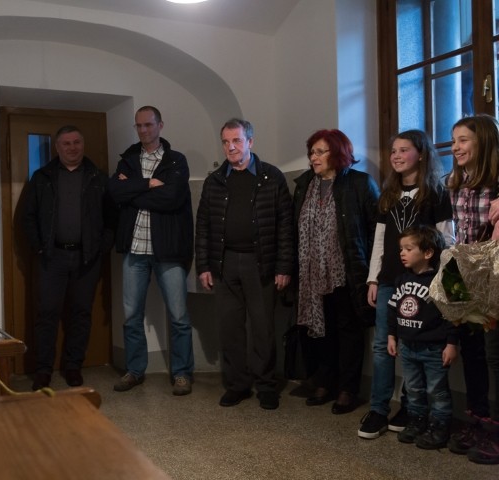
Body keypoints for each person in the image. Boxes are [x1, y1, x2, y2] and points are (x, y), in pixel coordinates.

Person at [358, 130, 455, 439]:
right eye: (393, 151)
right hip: (389, 280)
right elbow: (379, 241)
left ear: (421, 154)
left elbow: (447, 240)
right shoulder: (388, 195)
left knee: (415, 345)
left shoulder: (436, 193)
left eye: (404, 150)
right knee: (382, 345)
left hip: (423, 284)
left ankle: (412, 407)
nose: (396, 156)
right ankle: (378, 408)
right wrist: (373, 278)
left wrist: (443, 282)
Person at [195, 118, 293, 409]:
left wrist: (284, 266)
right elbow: (203, 227)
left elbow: (285, 226)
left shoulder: (271, 177)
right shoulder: (215, 180)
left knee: (262, 328)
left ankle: (266, 386)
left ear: (250, 141)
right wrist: (203, 266)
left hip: (261, 262)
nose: (231, 147)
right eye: (226, 142)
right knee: (230, 328)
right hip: (225, 263)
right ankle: (237, 385)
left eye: (236, 140)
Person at [108, 106, 194, 396]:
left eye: (148, 124)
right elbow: (114, 192)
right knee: (131, 316)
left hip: (168, 250)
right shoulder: (128, 160)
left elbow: (172, 198)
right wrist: (147, 184)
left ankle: (182, 374)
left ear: (160, 125)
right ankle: (134, 370)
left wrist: (132, 193)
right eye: (139, 126)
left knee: (179, 316)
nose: (143, 130)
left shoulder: (175, 160)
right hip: (135, 250)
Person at [21, 125, 116, 391]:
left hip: (87, 259)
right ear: (57, 147)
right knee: (46, 315)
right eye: (66, 143)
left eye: (76, 142)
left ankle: (73, 367)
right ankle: (43, 370)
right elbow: (28, 217)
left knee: (81, 314)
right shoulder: (42, 177)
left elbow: (112, 219)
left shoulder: (98, 178)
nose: (72, 147)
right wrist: (39, 247)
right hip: (52, 258)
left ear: (82, 145)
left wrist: (101, 248)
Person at [293, 129, 379, 415]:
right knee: (322, 330)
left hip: (347, 271)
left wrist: (372, 271)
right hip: (312, 274)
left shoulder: (359, 183)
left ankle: (347, 389)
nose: (313, 157)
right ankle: (325, 381)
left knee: (348, 331)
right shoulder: (305, 184)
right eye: (312, 152)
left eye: (320, 151)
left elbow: (375, 228)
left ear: (338, 152)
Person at [445, 114, 499, 464]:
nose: (455, 147)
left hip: (493, 277)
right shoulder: (456, 183)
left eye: (463, 140)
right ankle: (479, 421)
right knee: (472, 351)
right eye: (453, 141)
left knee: (495, 355)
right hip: (464, 274)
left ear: (484, 142)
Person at [387, 225, 457, 449]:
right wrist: (391, 336)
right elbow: (392, 309)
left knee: (436, 390)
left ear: (428, 252)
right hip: (408, 346)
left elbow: (452, 314)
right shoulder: (401, 279)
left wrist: (451, 343)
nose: (402, 253)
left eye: (408, 249)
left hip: (434, 348)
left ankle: (439, 426)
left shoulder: (441, 279)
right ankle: (417, 421)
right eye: (401, 249)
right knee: (413, 389)